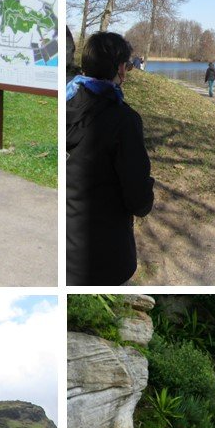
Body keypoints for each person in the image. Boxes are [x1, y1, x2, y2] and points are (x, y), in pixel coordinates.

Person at [66, 30, 154, 285]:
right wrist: (148, 189)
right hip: (104, 259)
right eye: (126, 65)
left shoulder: (65, 103)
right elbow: (139, 200)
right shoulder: (123, 120)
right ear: (121, 69)